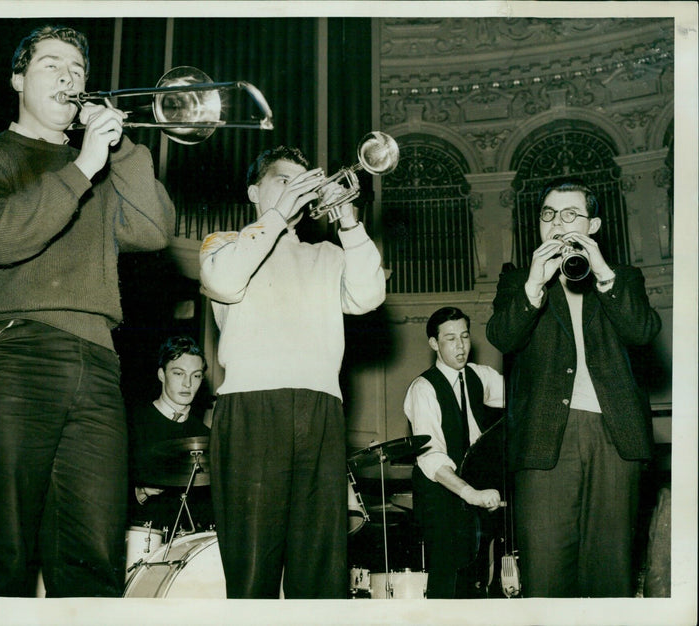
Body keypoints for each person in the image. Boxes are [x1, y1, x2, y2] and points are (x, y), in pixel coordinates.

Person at [0, 25, 175, 597]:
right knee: (5, 550)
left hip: (97, 364)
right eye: (51, 64)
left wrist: (118, 148)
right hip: (12, 352)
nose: (68, 76)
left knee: (95, 555)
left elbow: (153, 229)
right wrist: (82, 166)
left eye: (76, 68)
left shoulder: (97, 168)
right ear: (18, 79)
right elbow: (0, 237)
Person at [199, 145, 386, 598]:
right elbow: (224, 281)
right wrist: (278, 217)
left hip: (321, 408)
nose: (300, 189)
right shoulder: (224, 242)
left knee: (322, 567)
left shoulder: (327, 253)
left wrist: (349, 221)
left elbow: (369, 295)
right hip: (250, 405)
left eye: (306, 182)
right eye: (284, 180)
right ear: (253, 192)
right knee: (251, 568)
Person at [486, 177, 661, 597]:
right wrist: (533, 286)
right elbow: (502, 338)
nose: (558, 224)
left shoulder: (623, 277)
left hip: (614, 439)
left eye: (570, 215)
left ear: (594, 225)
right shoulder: (517, 281)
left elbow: (642, 331)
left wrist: (603, 273)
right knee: (545, 580)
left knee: (610, 576)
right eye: (549, 215)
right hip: (545, 441)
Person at [403, 306, 504, 599]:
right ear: (433, 343)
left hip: (476, 493)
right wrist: (469, 493)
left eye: (464, 336)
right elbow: (431, 457)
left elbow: (523, 392)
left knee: (478, 579)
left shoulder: (478, 376)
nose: (460, 346)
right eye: (450, 339)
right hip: (441, 495)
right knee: (447, 583)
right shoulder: (423, 388)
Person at [128, 335, 213, 535]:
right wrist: (139, 492)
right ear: (161, 374)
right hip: (139, 538)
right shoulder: (130, 422)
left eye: (196, 375)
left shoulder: (205, 437)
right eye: (178, 373)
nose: (187, 384)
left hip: (186, 544)